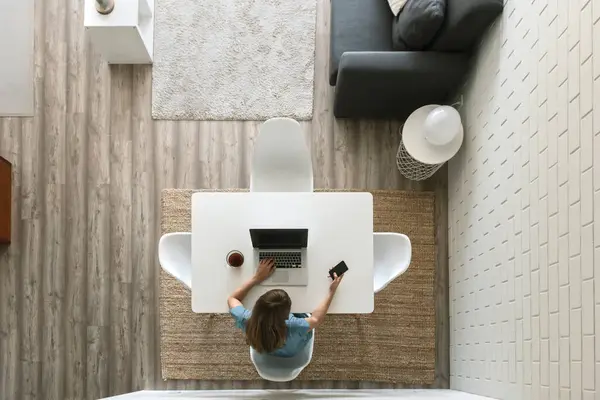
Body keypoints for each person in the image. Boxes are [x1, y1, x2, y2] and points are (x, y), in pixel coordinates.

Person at [227, 259, 344, 357]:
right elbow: (316, 320)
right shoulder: (295, 326)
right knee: (306, 313)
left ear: (258, 305)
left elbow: (232, 299)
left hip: (265, 349)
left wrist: (256, 278)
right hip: (292, 352)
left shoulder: (246, 319)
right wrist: (331, 291)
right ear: (286, 315)